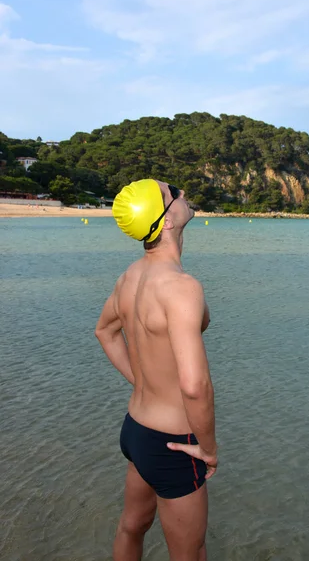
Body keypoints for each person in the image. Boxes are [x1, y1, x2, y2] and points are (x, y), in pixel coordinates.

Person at [95, 179, 217, 561]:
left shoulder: (130, 277)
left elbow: (105, 332)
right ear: (166, 221)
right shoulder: (182, 287)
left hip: (136, 430)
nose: (183, 194)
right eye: (174, 192)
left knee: (132, 527)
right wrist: (208, 449)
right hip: (174, 443)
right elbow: (194, 386)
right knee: (190, 552)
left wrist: (142, 380)